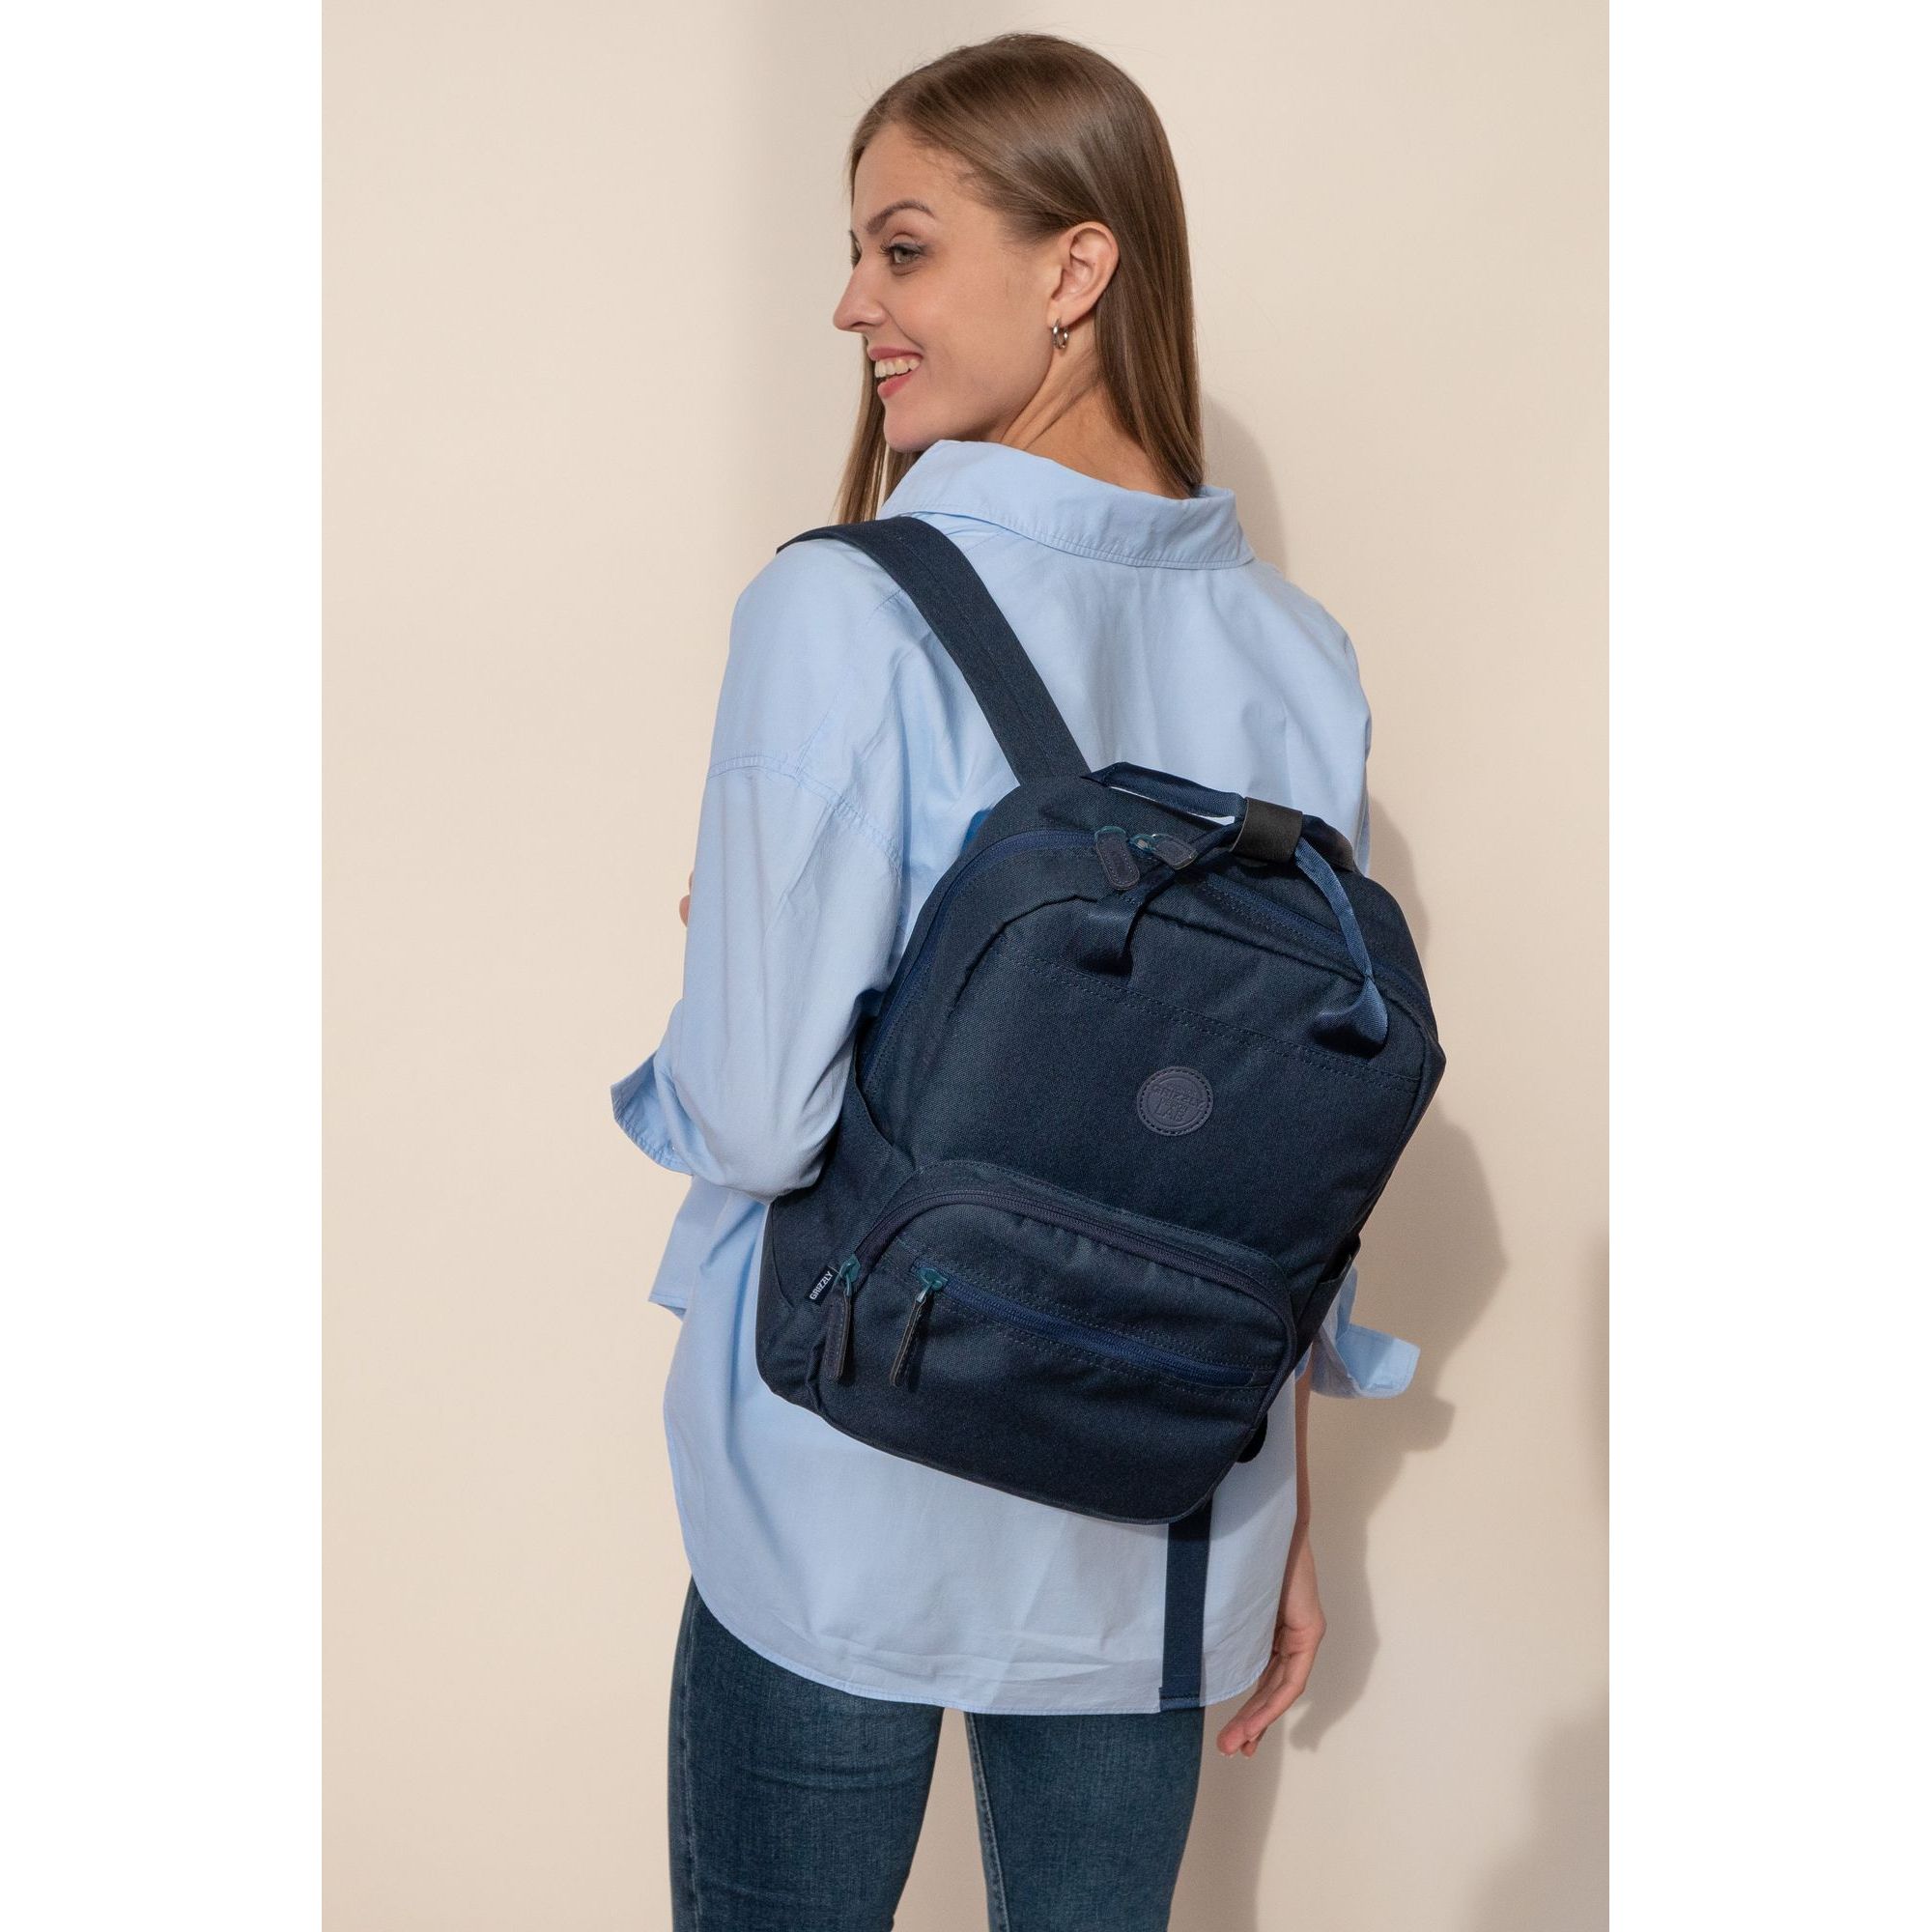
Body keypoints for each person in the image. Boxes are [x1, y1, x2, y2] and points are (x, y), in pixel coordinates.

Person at [609, 32, 1419, 1932]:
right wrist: (1282, 1500)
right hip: (1161, 1508)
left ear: (1076, 266)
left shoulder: (841, 608)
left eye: (901, 248)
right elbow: (1271, 1136)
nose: (852, 304)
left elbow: (757, 1117)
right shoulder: (1298, 656)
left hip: (847, 1480)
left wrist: (730, 970)